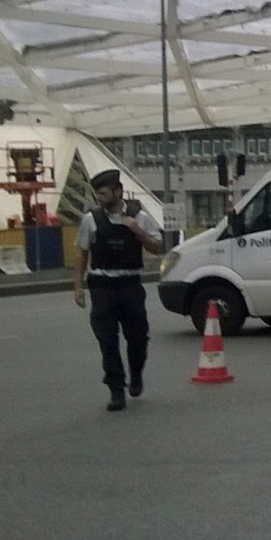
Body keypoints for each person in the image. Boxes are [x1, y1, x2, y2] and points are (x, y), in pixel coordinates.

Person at [74, 169, 163, 412]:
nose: (99, 198)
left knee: (137, 338)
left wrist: (136, 230)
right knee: (107, 341)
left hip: (130, 286)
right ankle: (116, 390)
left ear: (118, 191)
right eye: (97, 193)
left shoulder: (140, 217)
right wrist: (78, 285)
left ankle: (136, 374)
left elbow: (157, 246)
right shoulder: (91, 220)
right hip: (102, 287)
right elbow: (82, 253)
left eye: (103, 193)